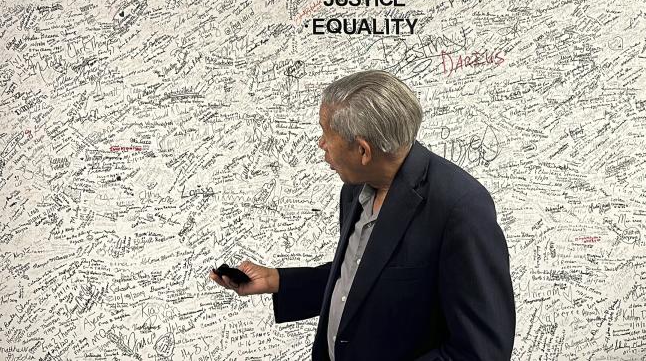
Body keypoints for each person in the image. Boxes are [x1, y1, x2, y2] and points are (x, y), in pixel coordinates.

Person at [209, 70, 516, 361]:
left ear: (364, 151)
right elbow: (364, 277)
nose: (321, 144)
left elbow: (481, 351)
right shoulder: (356, 188)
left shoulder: (460, 208)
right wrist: (278, 280)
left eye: (327, 134)